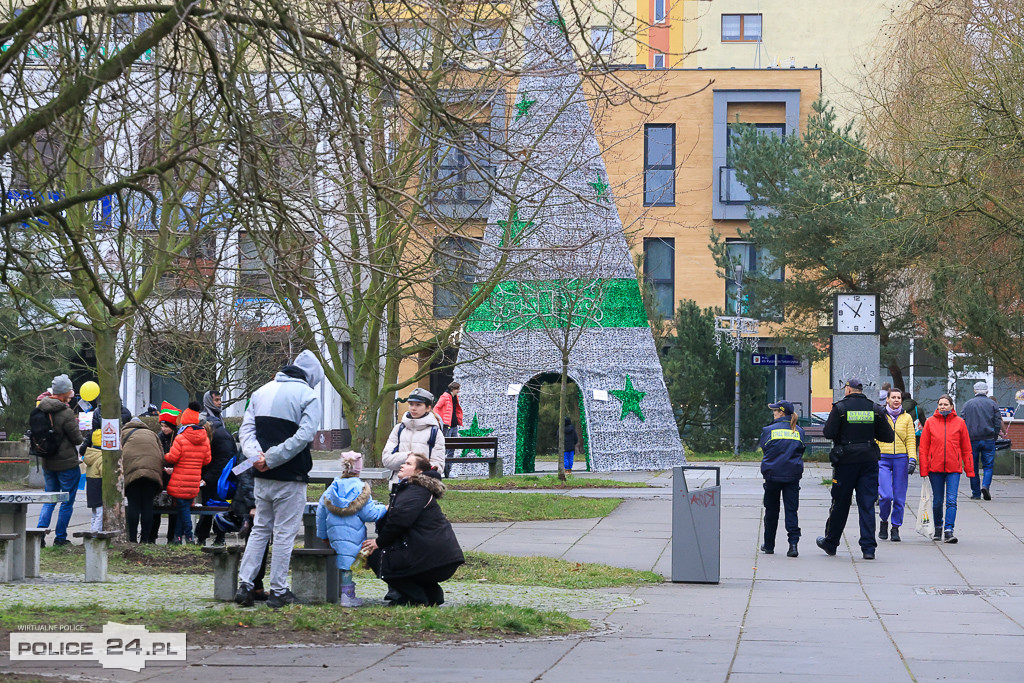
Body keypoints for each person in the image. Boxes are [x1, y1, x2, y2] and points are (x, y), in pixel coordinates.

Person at [234, 350, 323, 609]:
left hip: (261, 476)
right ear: (311, 377)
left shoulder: (261, 392)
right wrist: (273, 458)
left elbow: (246, 431)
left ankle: (245, 585)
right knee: (284, 533)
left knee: (260, 529)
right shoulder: (308, 396)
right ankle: (278, 590)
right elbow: (304, 436)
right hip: (291, 475)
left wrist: (257, 457)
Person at [362, 451, 465, 606]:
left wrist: (379, 543)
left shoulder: (415, 490)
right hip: (440, 557)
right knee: (392, 556)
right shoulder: (415, 489)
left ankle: (415, 598)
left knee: (376, 556)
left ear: (419, 472)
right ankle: (433, 595)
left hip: (434, 557)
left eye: (408, 464)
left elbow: (399, 521)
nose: (402, 465)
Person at [816, 378, 895, 560]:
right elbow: (888, 436)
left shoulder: (840, 408)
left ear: (848, 389)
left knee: (840, 504)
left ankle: (831, 543)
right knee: (867, 505)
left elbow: (828, 433)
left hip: (845, 462)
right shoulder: (874, 409)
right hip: (868, 462)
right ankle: (868, 548)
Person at [316, 451, 387, 607]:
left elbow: (321, 513)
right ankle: (347, 596)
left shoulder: (331, 488)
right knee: (348, 564)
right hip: (353, 535)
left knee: (343, 562)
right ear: (359, 470)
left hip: (334, 534)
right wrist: (384, 508)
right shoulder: (362, 489)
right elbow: (370, 514)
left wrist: (322, 535)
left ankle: (344, 594)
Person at [35, 374, 85, 547]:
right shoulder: (66, 412)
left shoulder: (41, 409)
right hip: (67, 464)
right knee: (66, 502)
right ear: (64, 392)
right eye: (70, 390)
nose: (72, 392)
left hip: (48, 462)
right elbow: (77, 439)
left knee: (49, 499)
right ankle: (60, 537)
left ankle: (39, 534)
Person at [919, 394, 975, 543]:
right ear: (937, 406)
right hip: (935, 469)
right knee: (937, 501)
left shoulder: (960, 423)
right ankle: (938, 527)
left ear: (951, 406)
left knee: (951, 500)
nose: (943, 407)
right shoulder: (930, 422)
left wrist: (969, 469)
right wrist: (924, 469)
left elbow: (966, 448)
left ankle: (949, 530)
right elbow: (923, 448)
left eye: (945, 404)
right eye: (940, 404)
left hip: (953, 468)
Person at [758, 400, 805, 558]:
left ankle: (769, 545)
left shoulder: (768, 430)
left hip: (773, 475)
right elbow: (800, 450)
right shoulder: (799, 430)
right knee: (791, 510)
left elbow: (765, 448)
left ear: (781, 413)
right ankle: (793, 545)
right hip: (792, 475)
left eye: (775, 410)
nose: (773, 413)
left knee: (771, 511)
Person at [164, 402, 211, 544]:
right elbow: (207, 460)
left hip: (180, 480)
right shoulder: (205, 439)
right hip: (194, 480)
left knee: (183, 509)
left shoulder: (180, 438)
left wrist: (165, 456)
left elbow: (172, 458)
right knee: (183, 508)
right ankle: (177, 538)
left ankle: (189, 536)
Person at [382, 387, 446, 488]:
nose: (413, 408)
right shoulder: (399, 429)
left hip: (422, 487)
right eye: (411, 404)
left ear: (428, 408)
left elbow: (438, 466)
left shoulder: (435, 432)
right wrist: (407, 456)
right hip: (398, 486)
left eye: (418, 405)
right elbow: (386, 460)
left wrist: (415, 468)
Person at [877, 388, 917, 543]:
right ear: (887, 399)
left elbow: (911, 440)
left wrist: (912, 459)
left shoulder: (907, 418)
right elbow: (875, 438)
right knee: (886, 495)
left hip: (901, 459)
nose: (896, 400)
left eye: (898, 398)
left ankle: (895, 527)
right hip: (883, 459)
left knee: (899, 498)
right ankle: (883, 520)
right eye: (893, 397)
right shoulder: (880, 416)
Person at [121, 415, 165, 543]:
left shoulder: (123, 433)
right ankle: (145, 539)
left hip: (132, 473)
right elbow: (162, 454)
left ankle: (132, 539)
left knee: (133, 504)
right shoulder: (152, 434)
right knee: (147, 505)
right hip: (151, 473)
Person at [195, 417, 238, 546]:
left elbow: (223, 461)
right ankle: (212, 536)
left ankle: (214, 537)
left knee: (214, 507)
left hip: (218, 480)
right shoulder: (220, 434)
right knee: (212, 507)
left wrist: (207, 478)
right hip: (216, 478)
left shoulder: (220, 437)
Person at [961, 381, 1003, 501]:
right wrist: (995, 435)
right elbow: (997, 421)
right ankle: (985, 486)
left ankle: (976, 493)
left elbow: (962, 422)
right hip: (988, 438)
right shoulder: (992, 404)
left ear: (974, 391)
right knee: (988, 466)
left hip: (972, 440)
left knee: (973, 466)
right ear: (987, 391)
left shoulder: (968, 404)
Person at [149, 401, 180, 544]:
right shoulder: (159, 437)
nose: (163, 429)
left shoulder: (178, 438)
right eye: (162, 426)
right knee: (156, 508)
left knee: (173, 509)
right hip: (161, 476)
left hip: (174, 477)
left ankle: (171, 537)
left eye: (166, 426)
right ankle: (152, 536)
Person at [433, 382, 463, 478]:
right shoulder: (445, 397)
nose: (458, 391)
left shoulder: (455, 397)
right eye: (457, 389)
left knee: (452, 449)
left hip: (454, 426)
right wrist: (440, 421)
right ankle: (441, 470)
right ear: (453, 389)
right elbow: (436, 408)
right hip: (447, 426)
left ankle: (448, 471)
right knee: (444, 448)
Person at [82, 429, 104, 532]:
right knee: (100, 513)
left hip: (91, 486)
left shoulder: (90, 455)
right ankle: (96, 532)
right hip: (99, 486)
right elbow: (104, 473)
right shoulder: (102, 457)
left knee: (95, 512)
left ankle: (92, 529)